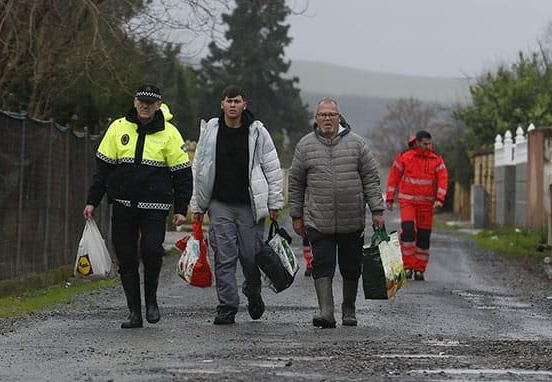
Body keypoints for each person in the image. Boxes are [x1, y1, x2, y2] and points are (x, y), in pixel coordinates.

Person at [84, 84, 192, 328]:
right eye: (141, 101)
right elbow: (103, 170)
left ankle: (151, 300)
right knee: (126, 258)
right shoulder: (118, 128)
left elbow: (182, 174)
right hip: (123, 205)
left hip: (155, 206)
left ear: (158, 105)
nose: (145, 105)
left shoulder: (170, 133)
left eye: (150, 102)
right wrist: (92, 201)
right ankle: (134, 312)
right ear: (134, 102)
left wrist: (180, 208)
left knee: (152, 251)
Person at [189, 85, 284, 325]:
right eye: (229, 101)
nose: (233, 105)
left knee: (250, 256)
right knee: (225, 256)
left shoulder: (257, 132)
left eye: (237, 101)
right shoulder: (211, 131)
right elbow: (199, 168)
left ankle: (253, 293)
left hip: (250, 205)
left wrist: (275, 202)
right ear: (222, 104)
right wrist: (197, 206)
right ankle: (227, 306)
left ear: (245, 105)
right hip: (219, 203)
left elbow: (272, 168)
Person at [288, 99, 386, 328]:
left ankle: (349, 310)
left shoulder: (357, 144)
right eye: (323, 115)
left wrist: (377, 210)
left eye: (332, 114)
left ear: (339, 117)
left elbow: (371, 179)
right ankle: (326, 311)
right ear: (316, 119)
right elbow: (296, 183)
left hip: (351, 220)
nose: (327, 119)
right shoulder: (305, 146)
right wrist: (296, 214)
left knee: (351, 267)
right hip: (317, 219)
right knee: (322, 264)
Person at [386, 130, 448, 281]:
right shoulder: (405, 158)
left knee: (423, 237)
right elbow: (393, 176)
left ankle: (419, 269)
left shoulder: (436, 160)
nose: (428, 146)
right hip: (408, 202)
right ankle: (407, 267)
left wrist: (439, 198)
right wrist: (389, 197)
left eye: (430, 144)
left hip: (426, 205)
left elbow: (443, 179)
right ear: (418, 143)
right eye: (425, 144)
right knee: (407, 232)